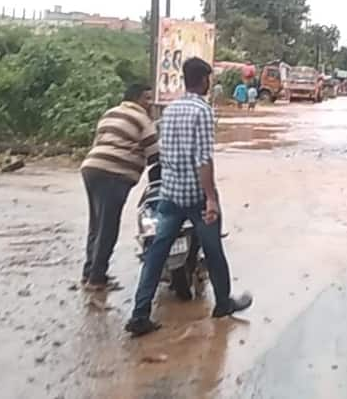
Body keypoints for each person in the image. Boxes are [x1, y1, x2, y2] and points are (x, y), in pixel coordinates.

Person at [126, 58, 253, 337]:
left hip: (170, 194)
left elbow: (163, 153)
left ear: (185, 79)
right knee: (214, 250)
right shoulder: (202, 111)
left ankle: (139, 313)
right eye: (209, 79)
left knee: (156, 253)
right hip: (196, 195)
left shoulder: (169, 111)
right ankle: (222, 304)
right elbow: (203, 160)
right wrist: (210, 198)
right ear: (204, 80)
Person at [79, 83, 160, 291]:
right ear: (136, 99)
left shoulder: (110, 113)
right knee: (109, 226)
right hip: (114, 174)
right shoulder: (142, 118)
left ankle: (89, 273)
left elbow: (99, 142)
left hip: (91, 168)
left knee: (96, 224)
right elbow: (155, 155)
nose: (150, 103)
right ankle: (97, 279)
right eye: (147, 98)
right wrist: (158, 187)